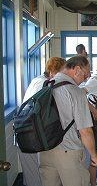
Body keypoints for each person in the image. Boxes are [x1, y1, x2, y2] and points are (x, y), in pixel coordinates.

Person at [39, 56, 97, 186]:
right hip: (68, 152)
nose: (84, 80)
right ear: (77, 69)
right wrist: (94, 155)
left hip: (45, 150)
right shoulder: (75, 92)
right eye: (84, 76)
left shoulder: (47, 85)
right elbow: (85, 131)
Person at [18, 57, 66, 186]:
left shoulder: (39, 80)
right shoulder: (43, 84)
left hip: (27, 132)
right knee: (35, 177)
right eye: (61, 73)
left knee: (33, 175)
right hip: (30, 134)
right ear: (52, 71)